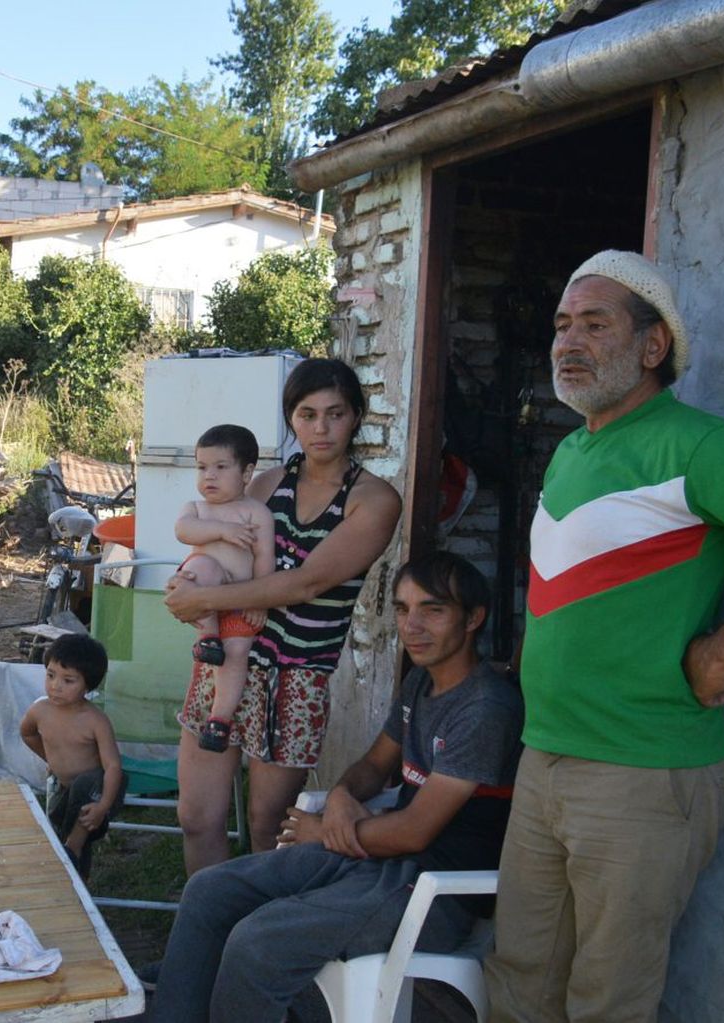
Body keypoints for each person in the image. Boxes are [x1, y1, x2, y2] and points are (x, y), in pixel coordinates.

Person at [484, 250, 724, 1023]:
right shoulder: (573, 449)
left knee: (607, 1002)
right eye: (561, 325)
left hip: (642, 773)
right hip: (546, 756)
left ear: (652, 347)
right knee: (517, 983)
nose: (568, 342)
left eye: (595, 324)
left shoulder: (695, 444)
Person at [143, 552, 522, 1023]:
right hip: (379, 859)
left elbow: (415, 833)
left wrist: (323, 830)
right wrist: (343, 798)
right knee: (210, 890)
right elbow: (371, 765)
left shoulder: (486, 708)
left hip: (436, 892)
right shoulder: (422, 682)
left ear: (473, 619)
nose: (413, 625)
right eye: (402, 610)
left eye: (433, 610)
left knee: (259, 941)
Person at [164, 358, 402, 873]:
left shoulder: (373, 500)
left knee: (268, 827)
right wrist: (191, 581)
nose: (320, 428)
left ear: (356, 417)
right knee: (197, 817)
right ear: (290, 419)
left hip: (297, 678)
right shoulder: (266, 484)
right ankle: (205, 940)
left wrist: (205, 601)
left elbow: (307, 583)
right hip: (228, 659)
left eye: (335, 414)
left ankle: (253, 943)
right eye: (306, 414)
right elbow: (226, 556)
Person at [173, 424, 276, 754]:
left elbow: (264, 560)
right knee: (204, 565)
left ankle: (220, 720)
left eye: (221, 467)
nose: (209, 477)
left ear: (247, 473)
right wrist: (220, 531)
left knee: (236, 658)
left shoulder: (256, 512)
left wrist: (260, 599)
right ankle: (208, 639)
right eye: (202, 467)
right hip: (205, 605)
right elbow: (183, 531)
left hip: (240, 602)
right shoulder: (197, 509)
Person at [18, 633, 126, 878]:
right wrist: (51, 759)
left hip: (99, 790)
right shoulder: (40, 711)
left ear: (87, 685)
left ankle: (72, 849)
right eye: (51, 675)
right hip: (65, 789)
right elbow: (27, 734)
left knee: (86, 786)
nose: (56, 685)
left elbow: (112, 766)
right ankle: (75, 873)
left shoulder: (94, 720)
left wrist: (104, 805)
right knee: (60, 822)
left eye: (68, 680)